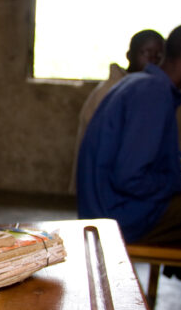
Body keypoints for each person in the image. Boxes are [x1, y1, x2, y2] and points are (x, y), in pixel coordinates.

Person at [76, 22, 181, 245]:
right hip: (120, 218)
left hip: (107, 208)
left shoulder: (139, 83)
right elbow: (130, 179)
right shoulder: (153, 93)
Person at [68, 29, 165, 192]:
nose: (152, 61)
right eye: (146, 53)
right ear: (129, 55)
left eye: (159, 56)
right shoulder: (111, 92)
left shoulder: (142, 89)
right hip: (104, 188)